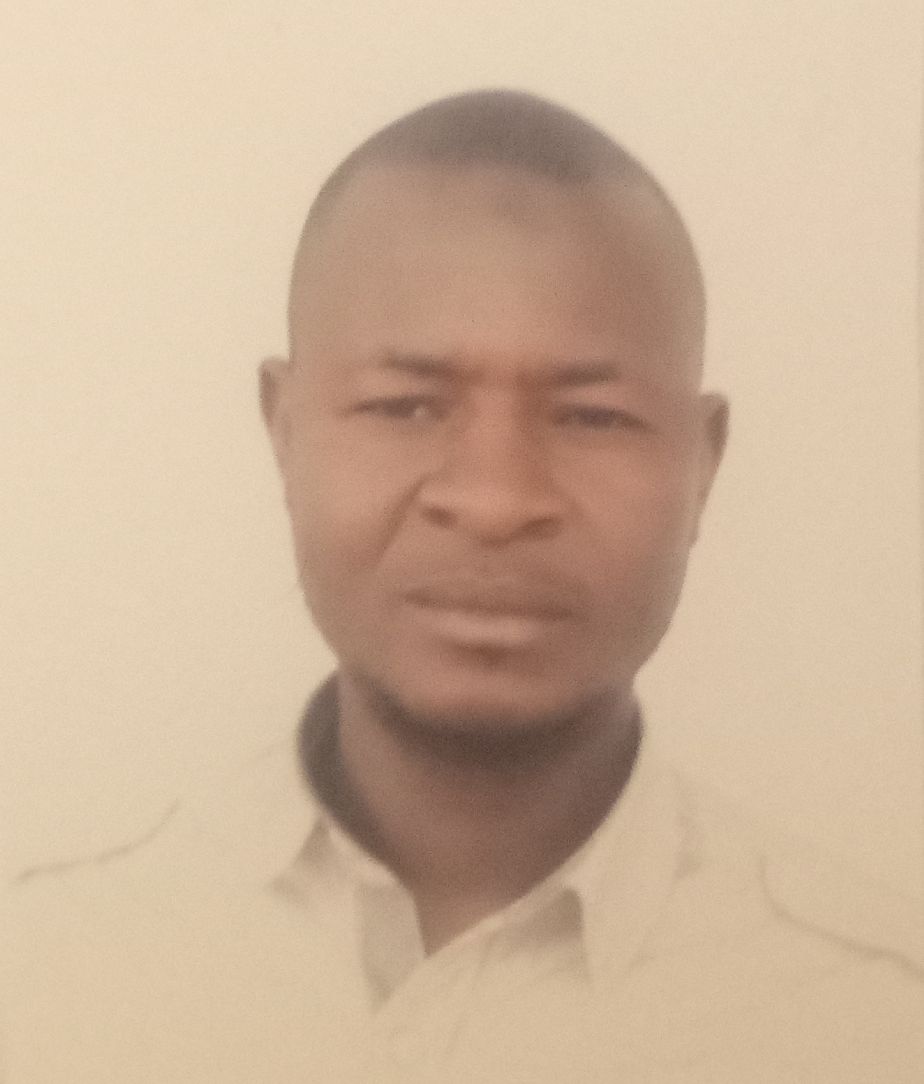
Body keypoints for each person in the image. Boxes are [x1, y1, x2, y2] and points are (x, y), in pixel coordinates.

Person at [6, 89, 923, 1083]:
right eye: (405, 406)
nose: (495, 499)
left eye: (593, 417)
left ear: (702, 464)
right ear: (285, 430)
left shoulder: (877, 1018)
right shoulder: (48, 974)